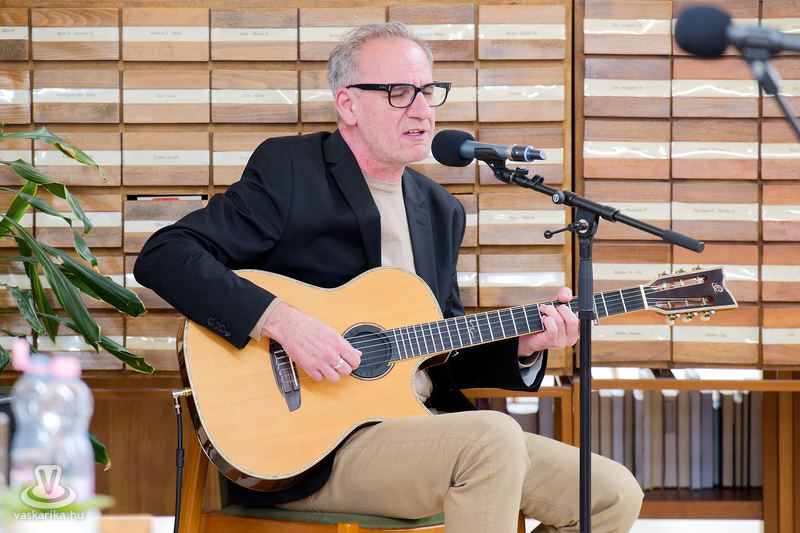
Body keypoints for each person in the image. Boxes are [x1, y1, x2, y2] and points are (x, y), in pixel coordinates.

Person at [134, 21, 642, 533]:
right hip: (315, 451)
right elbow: (165, 254)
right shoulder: (291, 170)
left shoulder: (440, 209)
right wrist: (283, 322)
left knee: (610, 494)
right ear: (348, 104)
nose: (422, 110)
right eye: (399, 93)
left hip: (421, 428)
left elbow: (444, 350)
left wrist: (525, 346)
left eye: (428, 91)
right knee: (493, 438)